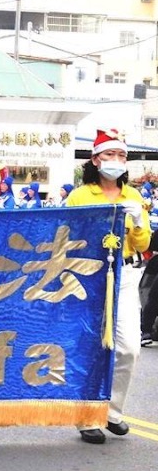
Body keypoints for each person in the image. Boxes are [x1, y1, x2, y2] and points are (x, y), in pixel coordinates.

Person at [66, 128, 152, 444]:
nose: (115, 161)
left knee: (129, 347)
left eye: (121, 156)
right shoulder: (80, 195)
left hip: (126, 276)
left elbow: (142, 242)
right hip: (90, 275)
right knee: (91, 346)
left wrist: (140, 222)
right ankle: (87, 417)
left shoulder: (133, 195)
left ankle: (112, 411)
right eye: (109, 155)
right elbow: (69, 236)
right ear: (95, 159)